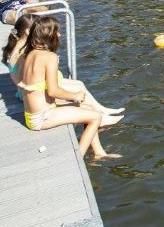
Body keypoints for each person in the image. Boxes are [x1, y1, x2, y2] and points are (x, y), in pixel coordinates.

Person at [17, 17, 115, 159]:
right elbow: (53, 91)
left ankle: (99, 152)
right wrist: (75, 95)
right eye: (56, 31)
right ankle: (79, 156)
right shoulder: (49, 57)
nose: (59, 35)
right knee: (95, 117)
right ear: (48, 34)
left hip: (32, 114)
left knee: (88, 109)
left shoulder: (28, 54)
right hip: (42, 117)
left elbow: (33, 83)